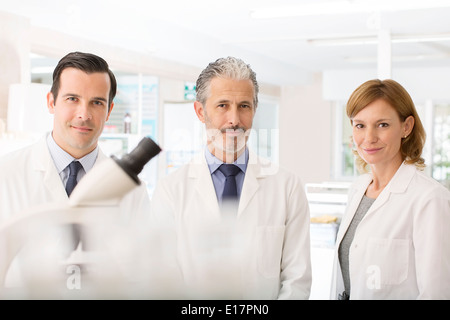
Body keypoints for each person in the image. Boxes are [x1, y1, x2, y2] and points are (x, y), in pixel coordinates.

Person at [150, 56, 311, 299]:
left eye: (244, 106)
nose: (234, 119)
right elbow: (161, 280)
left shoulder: (287, 186)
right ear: (200, 111)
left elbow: (297, 278)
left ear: (254, 110)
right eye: (223, 105)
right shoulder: (170, 190)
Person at [0, 52, 151, 275]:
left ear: (109, 111)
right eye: (72, 99)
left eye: (97, 102)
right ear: (51, 102)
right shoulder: (6, 174)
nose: (84, 114)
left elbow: (142, 273)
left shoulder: (133, 191)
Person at [330, 79, 450, 300]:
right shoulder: (357, 190)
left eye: (382, 124)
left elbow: (437, 293)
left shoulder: (429, 198)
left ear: (406, 127)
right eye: (360, 125)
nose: (369, 138)